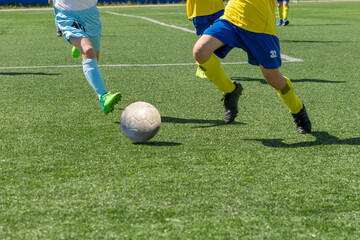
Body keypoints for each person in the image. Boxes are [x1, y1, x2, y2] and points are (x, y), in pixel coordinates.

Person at [192, 0, 311, 133]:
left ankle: (298, 111)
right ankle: (230, 90)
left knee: (274, 80)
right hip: (231, 19)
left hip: (260, 28)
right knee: (200, 51)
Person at [50, 0, 121, 115]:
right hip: (67, 15)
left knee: (95, 58)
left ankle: (79, 44)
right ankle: (103, 95)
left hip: (91, 15)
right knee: (88, 50)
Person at [186, 0, 224, 79]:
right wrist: (190, 12)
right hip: (200, 12)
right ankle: (201, 68)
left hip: (218, 9)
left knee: (224, 35)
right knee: (204, 40)